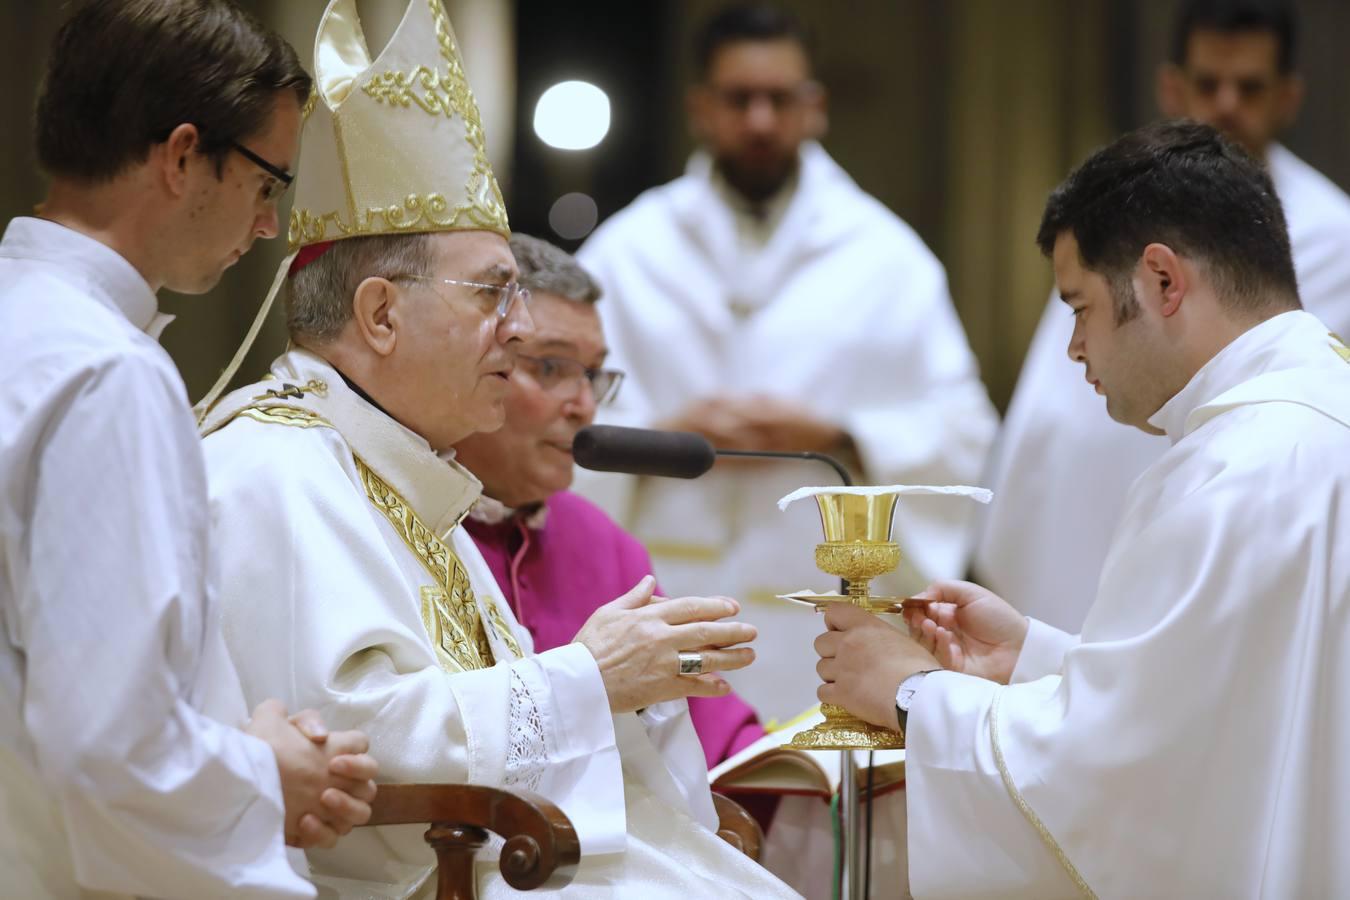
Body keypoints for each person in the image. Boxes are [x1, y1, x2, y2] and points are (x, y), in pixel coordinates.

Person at [200, 1, 798, 896]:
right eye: (492, 296)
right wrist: (589, 676)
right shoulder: (274, 474)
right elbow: (349, 755)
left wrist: (615, 679)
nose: (516, 334)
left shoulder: (406, 476)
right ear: (381, 315)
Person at [817, 120, 1350, 898]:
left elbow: (1122, 791)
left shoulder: (1228, 472)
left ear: (1163, 281)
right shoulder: (1314, 413)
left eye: (1080, 307)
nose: (1073, 349)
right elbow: (1231, 710)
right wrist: (1031, 657)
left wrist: (911, 693)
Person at [0, 2, 379, 897]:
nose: (266, 226)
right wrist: (264, 769)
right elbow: (108, 745)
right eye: (266, 183)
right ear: (180, 156)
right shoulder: (105, 374)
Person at [576, 2, 997, 724]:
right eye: (740, 99)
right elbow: (552, 420)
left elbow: (964, 433)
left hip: (821, 627)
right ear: (700, 109)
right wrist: (667, 437)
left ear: (816, 108)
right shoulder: (627, 250)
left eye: (781, 99)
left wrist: (835, 433)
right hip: (666, 606)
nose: (761, 120)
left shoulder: (886, 258)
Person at [975, 0, 1350, 631]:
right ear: (1171, 86)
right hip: (1114, 532)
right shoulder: (1120, 216)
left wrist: (918, 699)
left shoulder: (1333, 234)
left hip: (1233, 516)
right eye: (1208, 84)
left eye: (1250, 88)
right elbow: (1052, 423)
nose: (1227, 104)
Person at [455, 233, 766, 769]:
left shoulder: (600, 542)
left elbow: (716, 743)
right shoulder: (410, 523)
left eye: (593, 375)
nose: (583, 406)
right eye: (551, 368)